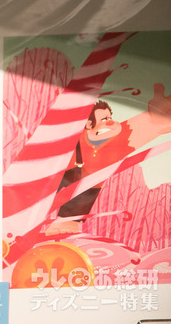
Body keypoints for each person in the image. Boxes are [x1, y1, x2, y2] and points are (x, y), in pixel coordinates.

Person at [45, 83, 171, 235]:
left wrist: (154, 120)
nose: (110, 122)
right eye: (104, 119)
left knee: (89, 180)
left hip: (70, 207)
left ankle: (65, 222)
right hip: (40, 190)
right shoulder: (72, 139)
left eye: (109, 117)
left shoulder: (112, 145)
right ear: (89, 124)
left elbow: (138, 128)